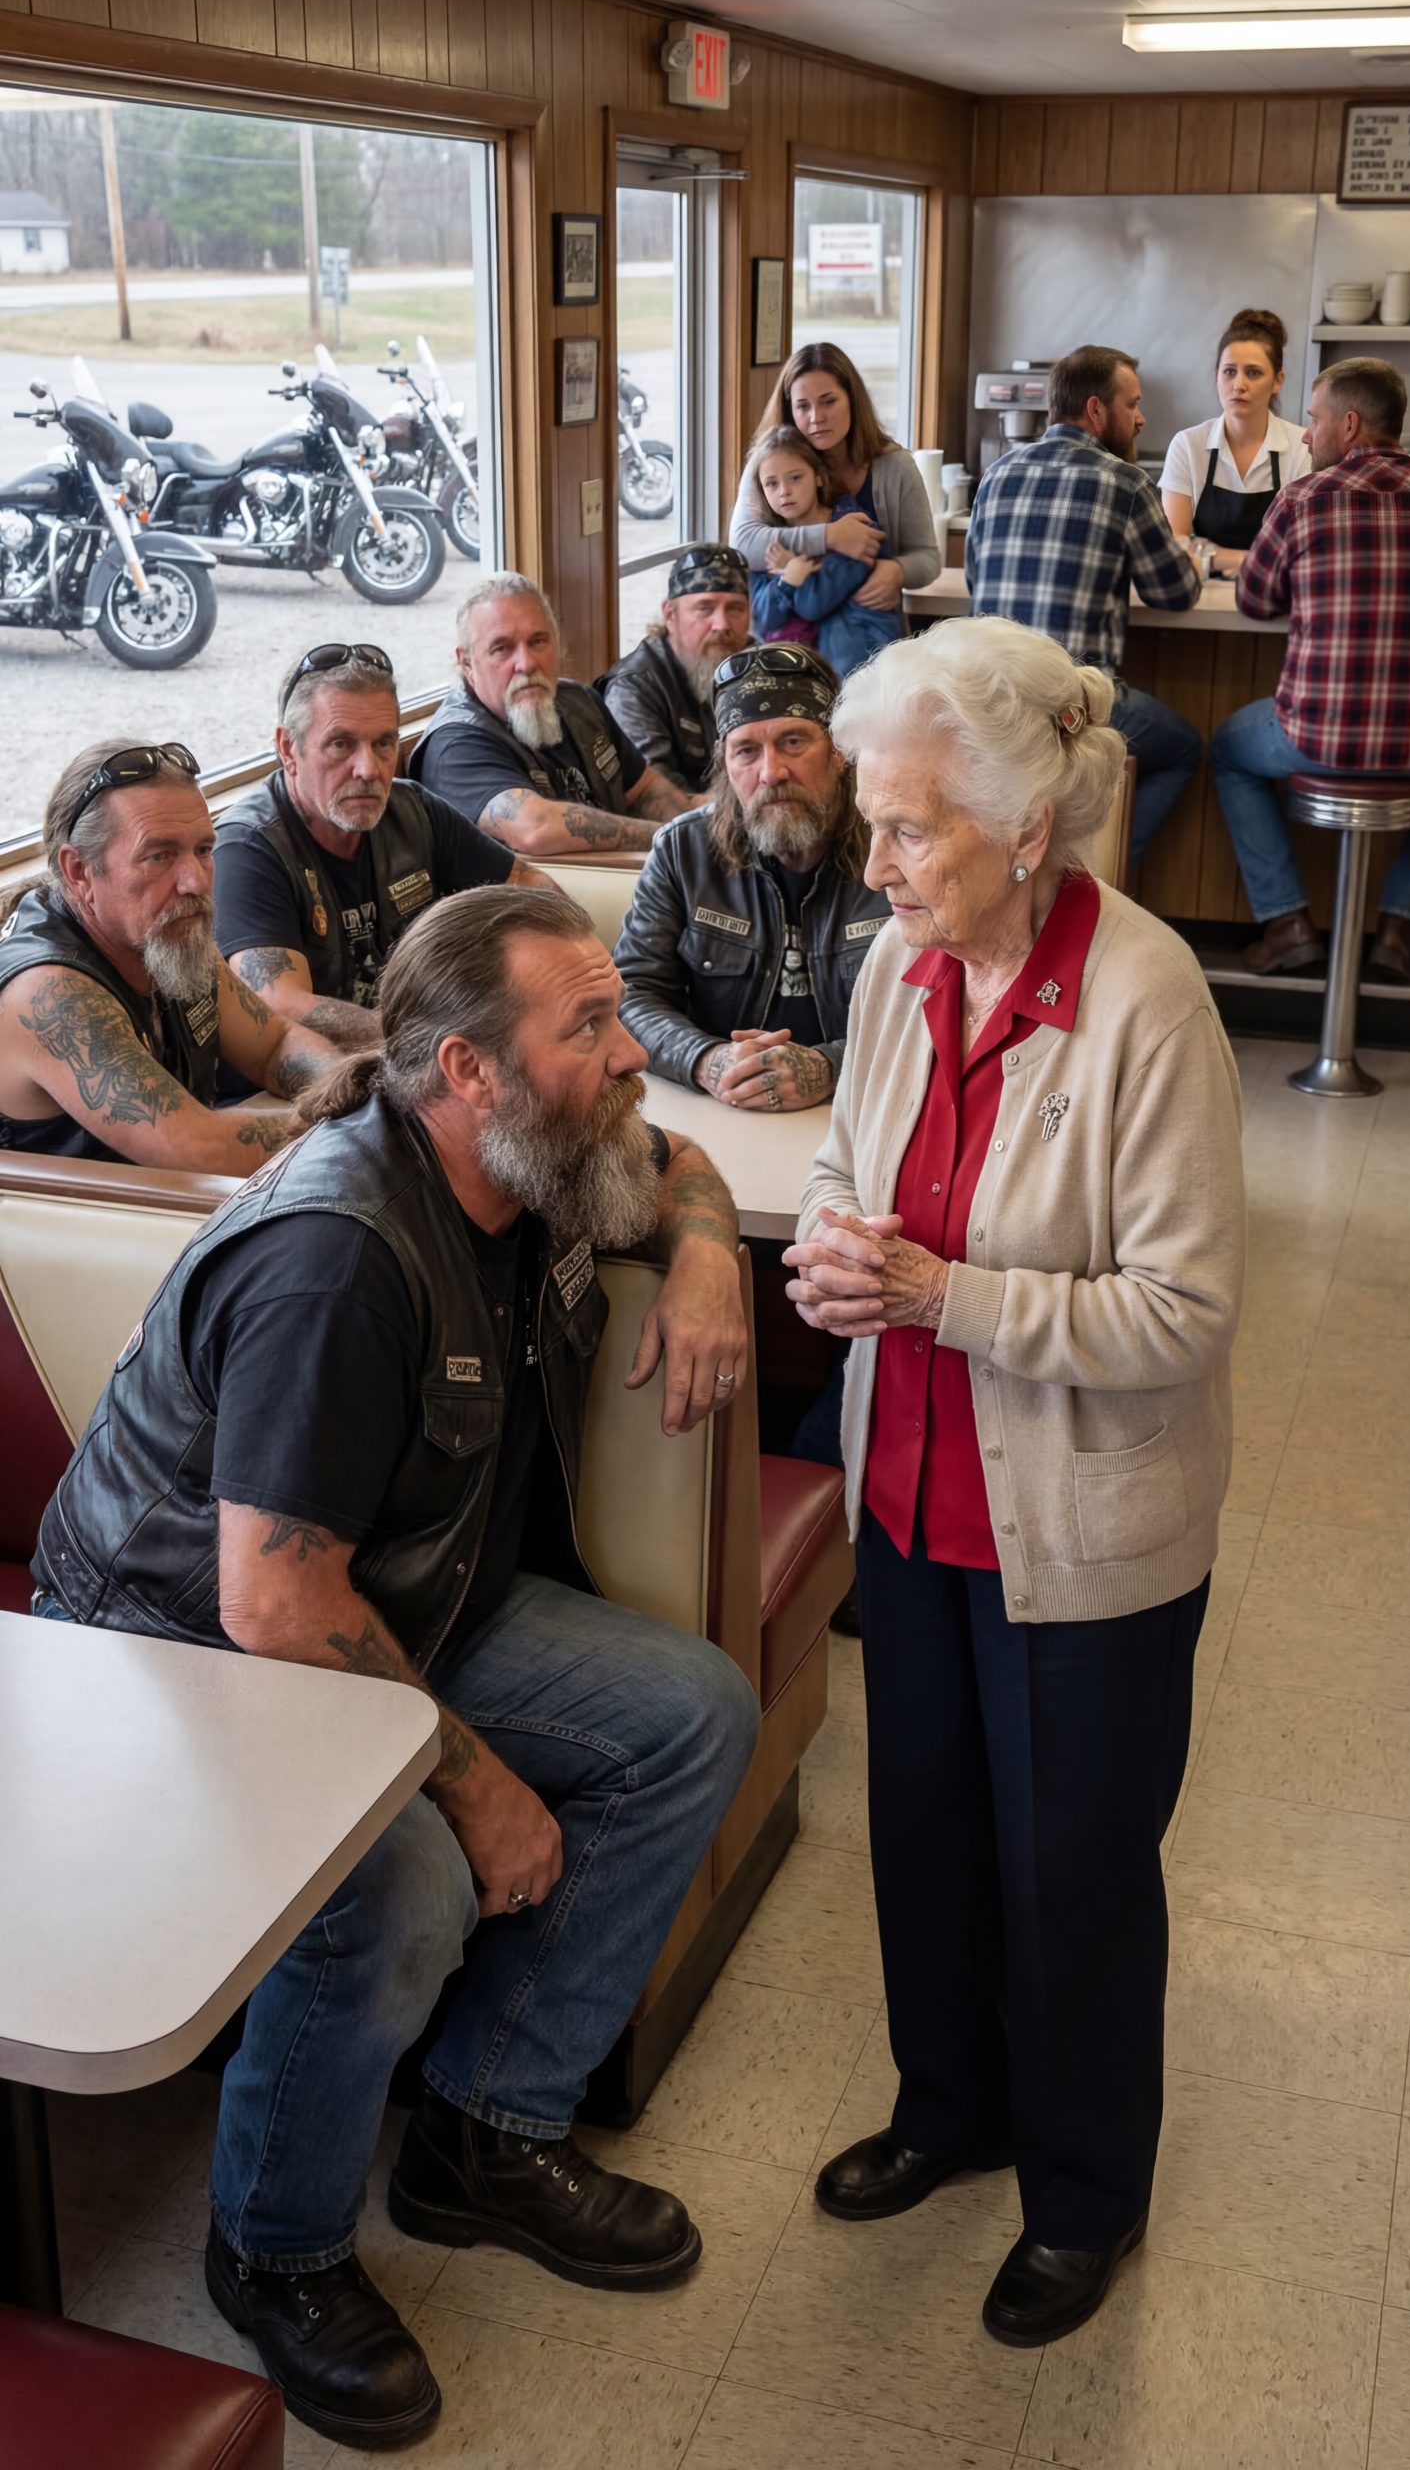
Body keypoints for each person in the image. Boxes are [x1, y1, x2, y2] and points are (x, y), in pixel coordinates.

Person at [31, 883, 761, 2452]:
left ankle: (483, 2132)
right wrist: (478, 1784)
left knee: (693, 1713)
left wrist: (707, 1261)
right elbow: (273, 1604)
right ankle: (272, 2251)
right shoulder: (337, 1258)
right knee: (406, 1889)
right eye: (588, 1024)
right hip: (178, 1655)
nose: (630, 1048)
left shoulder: (534, 1151)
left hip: (393, 1604)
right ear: (469, 1073)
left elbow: (678, 1159)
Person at [784, 616, 1244, 2350]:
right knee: (924, 1830)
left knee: (1069, 1868)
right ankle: (946, 2108)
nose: (874, 858)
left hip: (1080, 1533)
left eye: (907, 827)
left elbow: (1182, 1311)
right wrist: (836, 1249)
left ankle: (1078, 2190)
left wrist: (935, 1297)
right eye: (870, 820)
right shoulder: (894, 966)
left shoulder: (1141, 1002)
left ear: (1023, 828)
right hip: (904, 1500)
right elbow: (848, 1160)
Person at [0, 740, 336, 1174]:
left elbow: (274, 1044)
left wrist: (348, 1086)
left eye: (202, 850)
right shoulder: (48, 992)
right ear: (79, 872)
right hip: (63, 1230)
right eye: (159, 856)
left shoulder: (164, 936)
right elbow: (197, 1148)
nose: (194, 882)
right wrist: (362, 1122)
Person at [1209, 356, 1410, 981]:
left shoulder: (1302, 498)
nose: (1306, 435)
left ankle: (1286, 924)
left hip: (1316, 738)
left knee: (1227, 750)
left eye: (1314, 420)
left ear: (1350, 425)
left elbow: (1254, 600)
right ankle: (1400, 929)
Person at [213, 640, 550, 1048]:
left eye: (384, 743)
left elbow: (531, 887)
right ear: (288, 748)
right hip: (310, 1080)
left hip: (421, 1055)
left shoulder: (413, 810)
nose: (368, 769)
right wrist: (431, 1036)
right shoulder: (248, 847)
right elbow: (279, 1004)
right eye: (341, 744)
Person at [615, 644, 889, 1108]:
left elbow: (948, 1004)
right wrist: (707, 1059)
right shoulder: (683, 852)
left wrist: (830, 1067)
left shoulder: (896, 845)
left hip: (865, 1109)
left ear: (840, 751)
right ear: (726, 764)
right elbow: (632, 994)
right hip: (725, 1112)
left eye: (794, 742)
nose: (771, 772)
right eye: (746, 750)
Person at [964, 344, 1203, 865]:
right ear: (1096, 411)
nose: (1141, 419)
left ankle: (1053, 872)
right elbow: (1176, 592)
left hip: (992, 704)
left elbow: (975, 581)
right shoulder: (1126, 482)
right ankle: (1092, 871)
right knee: (1183, 748)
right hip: (1076, 709)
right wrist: (1191, 556)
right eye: (1132, 404)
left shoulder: (997, 475)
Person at [408, 574, 696, 856]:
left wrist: (696, 828)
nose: (526, 663)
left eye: (538, 642)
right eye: (502, 648)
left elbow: (644, 788)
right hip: (532, 900)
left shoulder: (579, 701)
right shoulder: (454, 745)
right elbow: (536, 828)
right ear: (467, 663)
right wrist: (669, 838)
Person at [731, 342, 940, 621]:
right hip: (784, 648)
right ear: (789, 410)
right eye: (802, 406)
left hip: (871, 647)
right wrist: (831, 536)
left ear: (852, 399)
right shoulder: (766, 464)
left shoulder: (896, 466)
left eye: (828, 401)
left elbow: (927, 559)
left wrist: (897, 570)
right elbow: (742, 546)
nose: (816, 417)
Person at [1160, 309, 1311, 573]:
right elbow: (1175, 543)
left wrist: (1209, 555)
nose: (1239, 384)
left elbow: (1304, 545)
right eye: (1229, 372)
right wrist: (1248, 561)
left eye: (1253, 373)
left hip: (1277, 599)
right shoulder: (1188, 445)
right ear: (1216, 375)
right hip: (1200, 600)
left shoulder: (1303, 447)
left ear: (1278, 380)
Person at [744, 427, 902, 679]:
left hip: (864, 667)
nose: (784, 491)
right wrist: (787, 581)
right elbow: (763, 619)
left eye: (795, 478)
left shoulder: (856, 528)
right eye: (771, 484)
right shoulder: (767, 542)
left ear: (818, 476)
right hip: (797, 673)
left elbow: (813, 604)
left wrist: (790, 569)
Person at [596, 542, 753, 792]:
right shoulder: (634, 687)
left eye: (735, 609)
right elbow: (657, 799)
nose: (722, 624)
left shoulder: (757, 664)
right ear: (670, 615)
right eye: (705, 608)